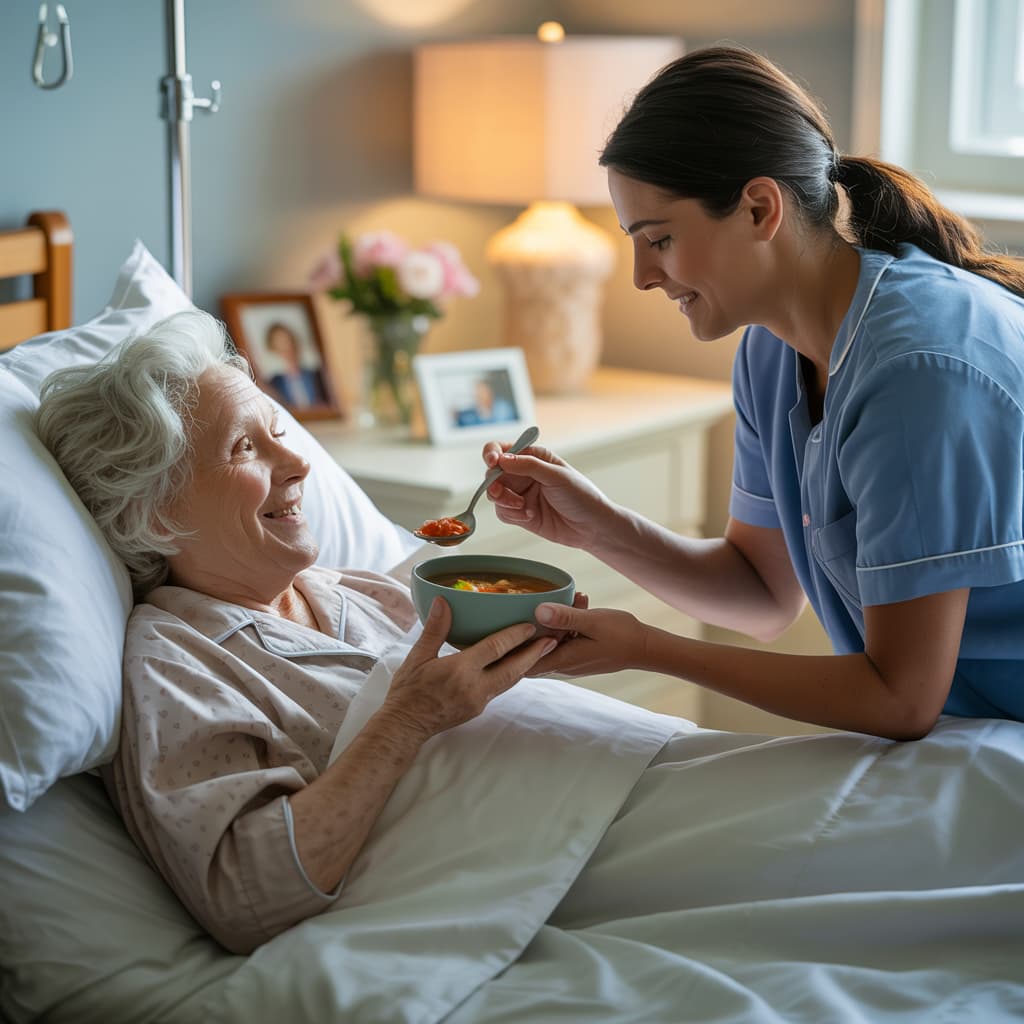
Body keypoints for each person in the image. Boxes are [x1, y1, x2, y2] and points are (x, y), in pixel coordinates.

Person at [482, 44, 1024, 741]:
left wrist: (648, 649)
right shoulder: (772, 351)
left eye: (660, 239)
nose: (644, 276)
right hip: (957, 729)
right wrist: (599, 529)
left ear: (759, 208)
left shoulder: (917, 373)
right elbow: (763, 594)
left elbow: (900, 699)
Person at [264, 320, 328, 408]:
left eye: (288, 341)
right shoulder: (274, 383)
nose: (287, 348)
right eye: (280, 345)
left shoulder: (316, 376)